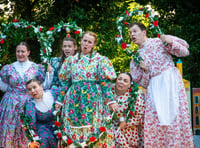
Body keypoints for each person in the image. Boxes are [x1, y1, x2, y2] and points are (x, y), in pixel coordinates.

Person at [129, 22, 194, 147]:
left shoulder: (159, 41)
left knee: (175, 116)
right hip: (155, 87)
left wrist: (170, 41)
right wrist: (146, 71)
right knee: (155, 119)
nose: (132, 34)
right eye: (130, 33)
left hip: (170, 82)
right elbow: (142, 82)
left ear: (144, 32)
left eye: (135, 31)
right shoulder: (136, 57)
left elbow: (185, 52)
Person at [57, 31, 116, 147]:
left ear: (93, 45)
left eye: (89, 42)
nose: (86, 44)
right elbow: (65, 83)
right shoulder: (71, 60)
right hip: (73, 100)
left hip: (93, 100)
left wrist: (111, 100)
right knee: (73, 128)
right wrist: (59, 100)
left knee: (94, 128)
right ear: (80, 41)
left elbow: (105, 82)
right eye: (84, 40)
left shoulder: (100, 60)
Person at [0, 41, 53, 148]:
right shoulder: (8, 68)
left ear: (28, 52)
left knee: (27, 129)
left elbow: (44, 86)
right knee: (11, 129)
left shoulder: (36, 68)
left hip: (28, 103)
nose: (20, 54)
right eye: (18, 51)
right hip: (11, 104)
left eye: (23, 51)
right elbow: (3, 87)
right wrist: (13, 93)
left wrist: (50, 73)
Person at [109, 72, 145, 148]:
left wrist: (125, 123)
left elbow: (138, 117)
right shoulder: (108, 92)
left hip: (126, 127)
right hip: (108, 125)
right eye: (119, 79)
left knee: (119, 136)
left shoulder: (135, 96)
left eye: (125, 81)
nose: (121, 82)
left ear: (129, 85)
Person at [25, 78, 59, 148]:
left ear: (41, 86)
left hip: (57, 124)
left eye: (34, 87)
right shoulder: (31, 105)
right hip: (42, 127)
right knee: (44, 140)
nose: (33, 91)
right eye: (29, 89)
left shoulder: (53, 93)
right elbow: (31, 124)